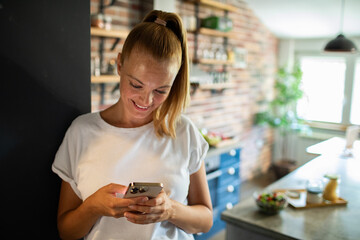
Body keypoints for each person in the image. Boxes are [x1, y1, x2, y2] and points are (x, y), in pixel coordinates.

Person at [52, 10, 213, 240]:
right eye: (136, 85)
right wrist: (93, 206)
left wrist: (169, 210)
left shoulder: (184, 131)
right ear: (119, 64)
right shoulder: (81, 132)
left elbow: (205, 220)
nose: (146, 101)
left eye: (160, 91)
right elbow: (66, 231)